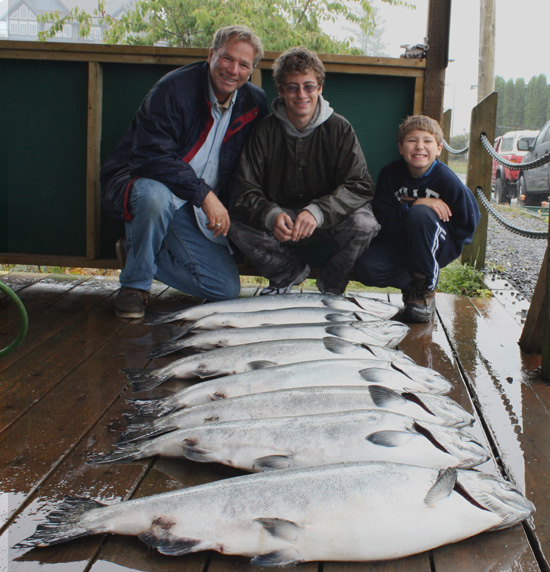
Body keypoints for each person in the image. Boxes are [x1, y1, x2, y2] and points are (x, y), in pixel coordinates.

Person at [100, 26, 268, 318]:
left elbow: (263, 158)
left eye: (244, 65)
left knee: (225, 289)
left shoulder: (254, 102)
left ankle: (138, 253)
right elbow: (149, 157)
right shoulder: (174, 88)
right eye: (227, 58)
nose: (233, 70)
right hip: (148, 187)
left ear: (252, 70)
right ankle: (135, 285)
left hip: (194, 210)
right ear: (211, 54)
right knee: (156, 195)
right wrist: (205, 195)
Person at [229, 47, 380, 295]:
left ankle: (331, 287)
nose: (301, 94)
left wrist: (319, 210)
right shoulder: (264, 130)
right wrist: (270, 214)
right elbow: (244, 189)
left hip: (326, 220)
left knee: (365, 224)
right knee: (233, 221)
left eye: (309, 86)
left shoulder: (339, 128)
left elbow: (360, 185)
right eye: (292, 87)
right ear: (280, 90)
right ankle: (287, 273)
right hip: (282, 219)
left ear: (320, 87)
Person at [354, 114, 481, 323]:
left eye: (427, 141)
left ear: (439, 149)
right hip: (400, 242)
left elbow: (469, 218)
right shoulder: (390, 174)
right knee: (366, 269)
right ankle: (412, 283)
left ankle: (424, 291)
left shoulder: (447, 180)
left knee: (421, 214)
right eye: (412, 140)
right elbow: (381, 219)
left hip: (436, 243)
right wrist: (414, 204)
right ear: (401, 147)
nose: (419, 146)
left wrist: (448, 249)